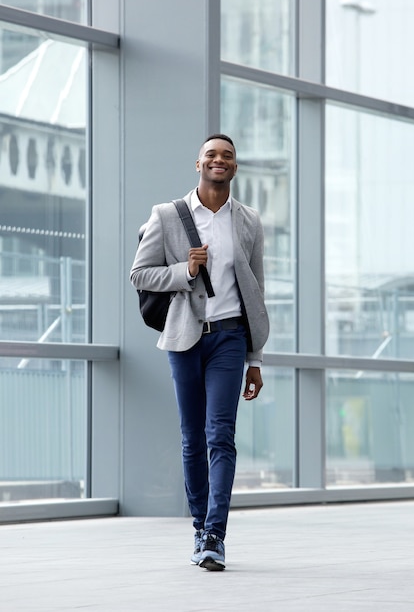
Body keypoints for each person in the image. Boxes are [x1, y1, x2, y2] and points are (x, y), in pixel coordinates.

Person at [130, 134, 269, 571]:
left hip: (229, 338)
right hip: (185, 337)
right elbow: (140, 274)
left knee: (220, 436)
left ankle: (215, 534)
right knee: (192, 439)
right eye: (211, 154)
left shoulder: (248, 221)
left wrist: (255, 358)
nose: (219, 160)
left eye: (227, 155)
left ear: (235, 167)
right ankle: (199, 525)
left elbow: (256, 291)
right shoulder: (168, 215)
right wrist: (184, 270)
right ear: (198, 164)